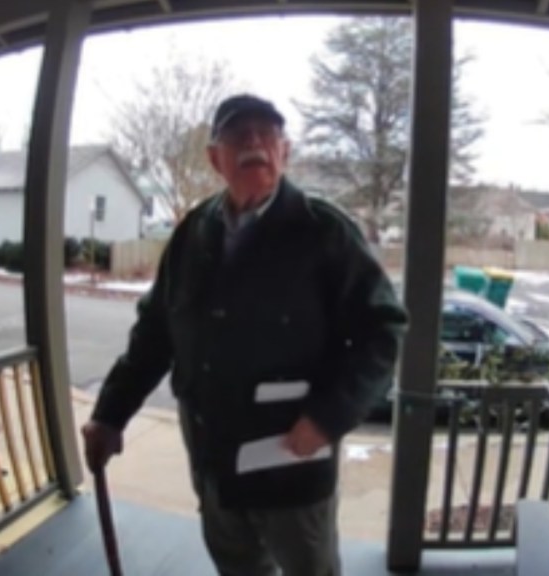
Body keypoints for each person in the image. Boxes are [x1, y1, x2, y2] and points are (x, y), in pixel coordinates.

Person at [82, 94, 408, 576]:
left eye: (267, 133)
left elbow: (383, 331)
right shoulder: (193, 233)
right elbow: (155, 334)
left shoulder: (324, 231)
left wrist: (328, 415)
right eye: (238, 134)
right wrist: (110, 414)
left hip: (294, 470)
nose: (253, 141)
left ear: (285, 151)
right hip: (215, 468)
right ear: (216, 158)